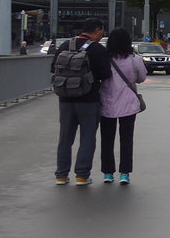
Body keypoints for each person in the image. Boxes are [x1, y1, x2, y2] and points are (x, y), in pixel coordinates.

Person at [51, 18, 113, 185]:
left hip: (65, 98)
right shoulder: (97, 48)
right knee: (87, 137)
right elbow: (106, 74)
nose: (102, 35)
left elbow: (53, 68)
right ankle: (81, 175)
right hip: (89, 99)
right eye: (102, 32)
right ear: (98, 30)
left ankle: (61, 175)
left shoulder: (65, 46)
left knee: (65, 138)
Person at [99, 27, 147, 185]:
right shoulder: (134, 59)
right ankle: (124, 173)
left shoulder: (104, 58)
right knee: (126, 139)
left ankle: (107, 172)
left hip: (106, 103)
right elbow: (141, 78)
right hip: (128, 104)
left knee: (107, 139)